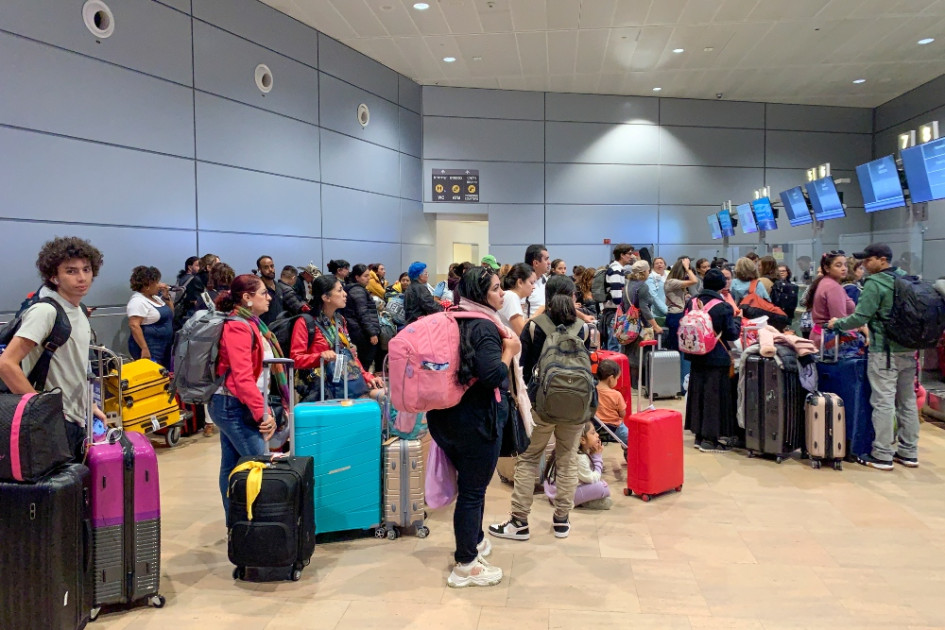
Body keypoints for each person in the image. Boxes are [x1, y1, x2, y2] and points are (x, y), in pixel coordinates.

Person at [426, 267, 520, 588]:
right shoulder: (483, 326)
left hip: (445, 417)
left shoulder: (452, 317)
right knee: (472, 492)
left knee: (471, 488)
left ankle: (475, 541)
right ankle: (466, 565)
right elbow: (492, 375)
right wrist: (509, 351)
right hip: (475, 422)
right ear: (481, 295)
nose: (502, 293)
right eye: (495, 288)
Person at [490, 275, 592, 543]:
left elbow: (524, 369)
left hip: (541, 406)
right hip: (576, 406)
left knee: (528, 459)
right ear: (572, 297)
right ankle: (562, 520)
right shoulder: (584, 328)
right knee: (567, 459)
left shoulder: (535, 327)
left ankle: (519, 522)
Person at [0, 236, 107, 460]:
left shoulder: (79, 310)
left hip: (75, 420)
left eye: (86, 269)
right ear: (53, 276)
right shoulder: (46, 312)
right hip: (51, 424)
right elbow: (6, 364)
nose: (82, 277)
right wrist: (40, 413)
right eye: (71, 271)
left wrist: (90, 406)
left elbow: (76, 367)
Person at [828, 243, 920, 470]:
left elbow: (860, 317)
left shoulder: (875, 283)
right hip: (908, 349)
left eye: (869, 260)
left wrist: (837, 324)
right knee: (907, 401)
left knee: (883, 402)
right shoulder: (905, 278)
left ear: (882, 260)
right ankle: (909, 452)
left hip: (883, 352)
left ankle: (882, 454)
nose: (865, 264)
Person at [208, 274, 288, 520]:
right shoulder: (238, 326)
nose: (269, 297)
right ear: (247, 297)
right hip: (231, 405)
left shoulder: (252, 323)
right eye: (263, 293)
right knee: (259, 464)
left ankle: (236, 523)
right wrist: (263, 412)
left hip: (233, 403)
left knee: (232, 465)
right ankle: (256, 524)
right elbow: (242, 379)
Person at [290, 274, 385, 401]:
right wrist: (320, 357)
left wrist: (367, 376)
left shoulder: (340, 320)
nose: (345, 294)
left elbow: (350, 355)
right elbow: (295, 359)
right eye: (339, 290)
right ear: (326, 297)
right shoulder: (305, 322)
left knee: (386, 396)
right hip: (320, 390)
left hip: (344, 383)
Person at [683, 269, 741, 452]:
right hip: (716, 356)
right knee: (714, 396)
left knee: (698, 394)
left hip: (694, 354)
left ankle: (699, 435)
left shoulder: (692, 302)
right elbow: (732, 334)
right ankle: (710, 439)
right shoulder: (723, 306)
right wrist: (738, 321)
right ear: (722, 285)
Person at [543, 422, 612, 510]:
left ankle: (586, 499)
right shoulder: (579, 457)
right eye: (593, 433)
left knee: (599, 487)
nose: (597, 435)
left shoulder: (569, 450)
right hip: (561, 496)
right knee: (603, 487)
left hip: (556, 491)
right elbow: (593, 479)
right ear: (582, 440)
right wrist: (597, 456)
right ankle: (585, 502)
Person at [805, 251, 859, 351]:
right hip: (832, 339)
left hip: (821, 336)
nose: (844, 268)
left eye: (845, 265)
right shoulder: (833, 287)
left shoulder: (825, 282)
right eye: (838, 265)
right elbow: (839, 320)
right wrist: (858, 329)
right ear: (827, 268)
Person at [126, 265, 174, 368]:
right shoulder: (138, 301)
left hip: (164, 345)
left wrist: (166, 297)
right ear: (147, 284)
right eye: (156, 282)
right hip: (151, 346)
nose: (159, 285)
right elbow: (134, 325)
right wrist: (144, 348)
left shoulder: (156, 298)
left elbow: (171, 313)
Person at [623, 260, 663, 380]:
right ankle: (638, 384)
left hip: (628, 324)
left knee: (629, 353)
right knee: (639, 355)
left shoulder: (628, 284)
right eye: (648, 270)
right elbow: (644, 309)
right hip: (641, 326)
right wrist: (655, 326)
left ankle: (630, 383)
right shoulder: (642, 286)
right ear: (644, 272)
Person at [341, 264, 381, 372]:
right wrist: (372, 333)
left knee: (362, 363)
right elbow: (363, 313)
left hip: (357, 330)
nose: (368, 278)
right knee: (364, 363)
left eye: (369, 276)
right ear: (357, 277)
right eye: (365, 276)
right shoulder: (358, 291)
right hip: (362, 332)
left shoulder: (354, 289)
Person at [601, 244, 635, 351]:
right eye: (629, 254)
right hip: (615, 313)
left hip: (613, 313)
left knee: (614, 345)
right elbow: (616, 297)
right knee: (615, 347)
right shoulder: (616, 270)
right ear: (622, 255)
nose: (631, 256)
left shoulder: (617, 269)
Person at [595, 359, 628, 446]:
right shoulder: (616, 395)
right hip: (615, 428)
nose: (617, 381)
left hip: (596, 427)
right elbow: (623, 414)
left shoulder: (592, 391)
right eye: (617, 378)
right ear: (610, 378)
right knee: (632, 440)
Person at [498, 262, 536, 336]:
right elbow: (522, 332)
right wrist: (538, 313)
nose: (534, 287)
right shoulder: (512, 297)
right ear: (520, 282)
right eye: (531, 283)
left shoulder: (511, 296)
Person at [523, 244, 551, 318]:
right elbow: (519, 319)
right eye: (546, 259)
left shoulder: (547, 281)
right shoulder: (523, 284)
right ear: (536, 263)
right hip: (531, 324)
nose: (549, 262)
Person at [255, 255, 283, 325]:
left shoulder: (279, 287)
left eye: (272, 266)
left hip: (281, 328)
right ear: (259, 270)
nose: (270, 269)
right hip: (264, 329)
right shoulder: (257, 288)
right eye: (266, 267)